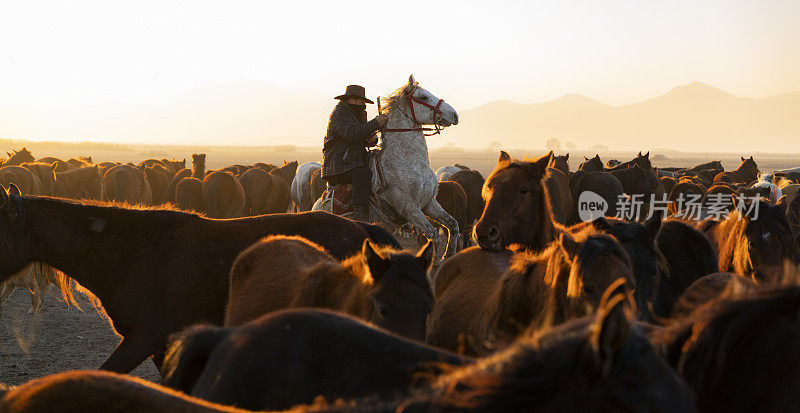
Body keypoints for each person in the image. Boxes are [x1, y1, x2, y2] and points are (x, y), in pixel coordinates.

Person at [321, 84, 388, 222]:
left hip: (353, 159)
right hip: (338, 163)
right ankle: (360, 213)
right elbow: (351, 134)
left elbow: (357, 137)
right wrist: (375, 123)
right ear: (352, 100)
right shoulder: (339, 114)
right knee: (362, 173)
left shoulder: (358, 113)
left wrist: (369, 139)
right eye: (361, 101)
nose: (363, 104)